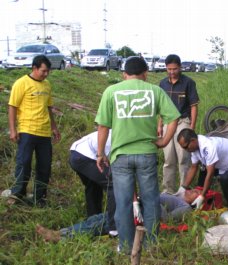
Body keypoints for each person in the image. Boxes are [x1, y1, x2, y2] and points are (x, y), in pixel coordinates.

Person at [95, 56, 180, 254]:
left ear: (124, 74)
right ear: (145, 74)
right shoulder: (154, 90)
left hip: (121, 156)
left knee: (123, 203)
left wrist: (100, 153)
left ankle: (126, 247)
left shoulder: (111, 92)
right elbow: (174, 118)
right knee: (151, 201)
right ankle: (151, 245)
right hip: (146, 154)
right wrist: (165, 141)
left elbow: (103, 126)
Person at [35, 189, 201, 243]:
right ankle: (64, 232)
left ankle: (59, 236)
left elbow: (165, 218)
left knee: (103, 224)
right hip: (138, 204)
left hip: (142, 211)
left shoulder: (185, 207)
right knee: (99, 218)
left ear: (196, 201)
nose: (192, 191)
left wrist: (149, 201)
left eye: (196, 193)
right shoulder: (175, 194)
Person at [7, 55, 61, 206]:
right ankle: (18, 194)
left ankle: (39, 198)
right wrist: (13, 129)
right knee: (24, 164)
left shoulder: (47, 85)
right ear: (34, 68)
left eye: (48, 71)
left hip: (44, 132)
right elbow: (12, 107)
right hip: (27, 130)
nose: (46, 74)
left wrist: (54, 127)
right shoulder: (21, 83)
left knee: (44, 166)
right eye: (43, 71)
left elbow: (49, 107)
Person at [177, 128, 228, 211]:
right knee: (203, 170)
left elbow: (210, 173)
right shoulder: (194, 148)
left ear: (193, 140)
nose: (185, 150)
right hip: (226, 162)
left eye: (185, 147)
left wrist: (202, 195)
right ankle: (202, 204)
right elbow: (193, 167)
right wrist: (183, 188)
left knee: (225, 179)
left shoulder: (208, 146)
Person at [158, 54, 200, 194]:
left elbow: (194, 106)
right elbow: (161, 107)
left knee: (183, 158)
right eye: (169, 69)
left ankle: (184, 189)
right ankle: (167, 190)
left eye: (174, 69)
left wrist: (191, 128)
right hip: (167, 122)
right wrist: (159, 125)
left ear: (180, 67)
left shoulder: (188, 83)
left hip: (183, 122)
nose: (171, 72)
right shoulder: (162, 84)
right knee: (168, 159)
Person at [69, 130, 116, 234]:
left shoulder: (121, 130)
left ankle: (93, 218)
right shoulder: (123, 137)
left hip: (77, 153)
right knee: (113, 184)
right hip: (83, 156)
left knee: (93, 185)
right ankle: (114, 227)